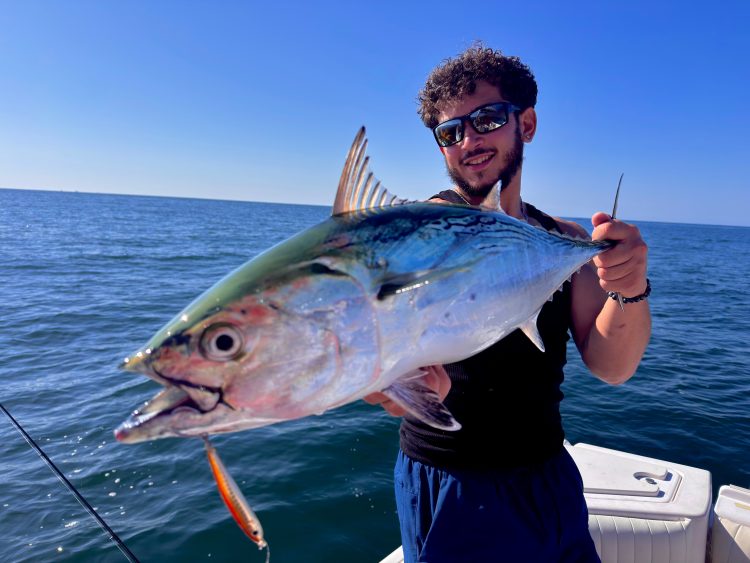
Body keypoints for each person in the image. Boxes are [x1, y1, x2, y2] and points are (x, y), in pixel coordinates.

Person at [364, 44, 651, 562]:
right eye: (450, 132)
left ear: (528, 123)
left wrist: (628, 286)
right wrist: (393, 378)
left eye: (487, 119)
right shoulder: (419, 233)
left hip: (551, 479)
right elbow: (377, 323)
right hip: (455, 484)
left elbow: (613, 367)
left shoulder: (563, 239)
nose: (469, 140)